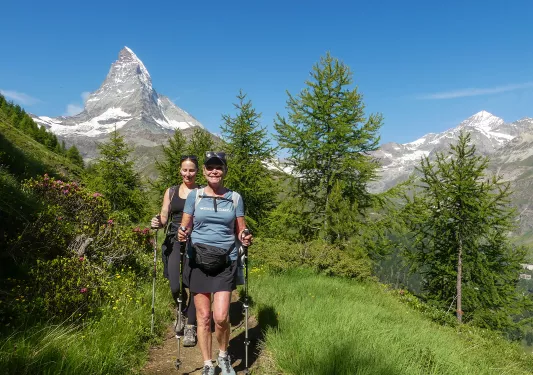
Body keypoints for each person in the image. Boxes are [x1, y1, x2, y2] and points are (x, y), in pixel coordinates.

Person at [178, 151, 253, 375]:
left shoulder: (235, 198)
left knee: (221, 317)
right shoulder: (195, 196)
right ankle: (208, 364)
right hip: (198, 260)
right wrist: (183, 233)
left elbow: (241, 228)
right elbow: (186, 225)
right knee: (203, 317)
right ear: (204, 171)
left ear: (224, 171)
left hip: (225, 260)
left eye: (218, 167)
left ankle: (223, 355)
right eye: (210, 167)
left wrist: (246, 236)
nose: (214, 171)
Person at [151, 155, 199, 347]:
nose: (188, 174)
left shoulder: (202, 192)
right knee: (174, 284)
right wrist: (157, 222)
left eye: (192, 170)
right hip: (174, 239)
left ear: (197, 171)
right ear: (180, 170)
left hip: (197, 241)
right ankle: (181, 308)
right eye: (185, 170)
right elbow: (164, 216)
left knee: (195, 283)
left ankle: (191, 326)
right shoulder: (171, 192)